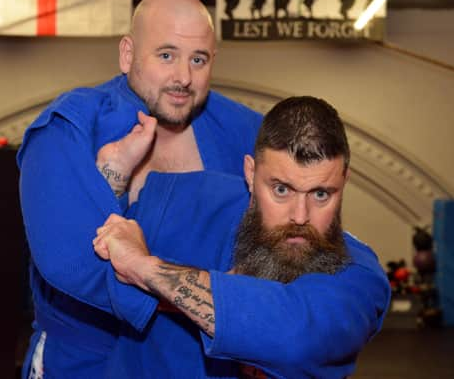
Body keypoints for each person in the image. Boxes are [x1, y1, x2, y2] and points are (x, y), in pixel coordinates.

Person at [17, 0, 262, 378]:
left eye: (198, 60)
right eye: (166, 55)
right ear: (128, 53)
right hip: (86, 362)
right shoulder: (71, 127)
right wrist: (221, 301)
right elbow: (72, 261)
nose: (183, 77)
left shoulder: (245, 131)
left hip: (202, 364)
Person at [93, 96, 391, 378]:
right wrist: (113, 173)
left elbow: (293, 336)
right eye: (281, 190)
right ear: (250, 173)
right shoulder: (190, 201)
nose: (300, 216)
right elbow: (99, 239)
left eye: (321, 194)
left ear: (344, 182)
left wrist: (145, 269)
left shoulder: (360, 278)